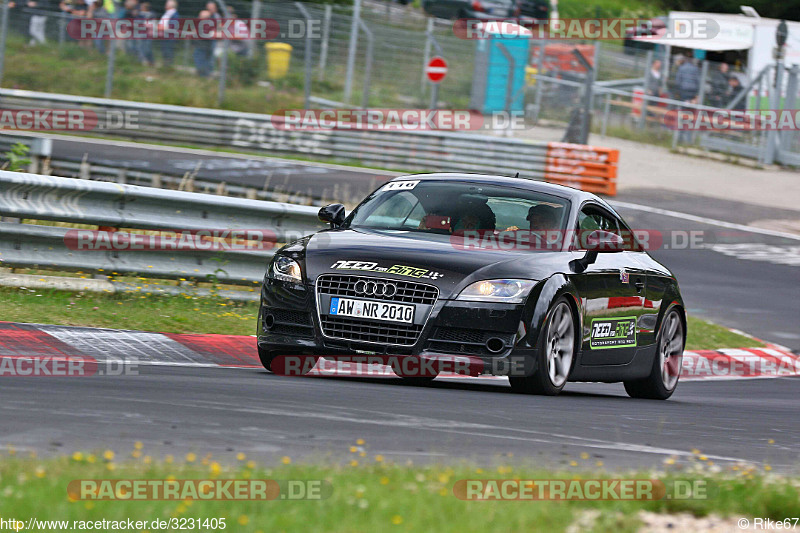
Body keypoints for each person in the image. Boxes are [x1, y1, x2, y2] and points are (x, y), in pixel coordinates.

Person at [193, 9, 214, 77]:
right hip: (202, 47)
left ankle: (204, 77)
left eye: (200, 16)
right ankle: (204, 77)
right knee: (203, 64)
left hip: (202, 47)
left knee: (202, 64)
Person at [159, 0, 179, 66]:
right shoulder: (167, 13)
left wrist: (163, 28)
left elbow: (173, 26)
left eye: (167, 4)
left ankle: (168, 66)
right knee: (165, 51)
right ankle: (166, 65)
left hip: (169, 37)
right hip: (164, 36)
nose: (165, 5)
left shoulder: (174, 14)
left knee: (168, 51)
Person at [137, 1, 156, 65]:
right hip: (141, 33)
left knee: (148, 48)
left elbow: (151, 24)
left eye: (142, 7)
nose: (140, 8)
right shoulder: (140, 14)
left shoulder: (151, 14)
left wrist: (144, 24)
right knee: (141, 48)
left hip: (149, 34)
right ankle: (142, 60)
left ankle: (151, 61)